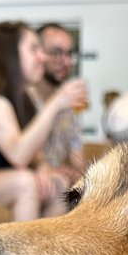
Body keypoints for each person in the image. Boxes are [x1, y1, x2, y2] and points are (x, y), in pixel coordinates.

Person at [0, 21, 87, 221]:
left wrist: (43, 168)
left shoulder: (22, 99)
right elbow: (18, 154)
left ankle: (40, 242)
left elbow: (34, 155)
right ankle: (22, 244)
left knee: (60, 185)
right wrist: (58, 102)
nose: (43, 57)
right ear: (11, 53)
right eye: (34, 49)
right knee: (25, 184)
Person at [35, 23, 85, 183]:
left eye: (69, 53)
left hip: (59, 189)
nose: (66, 61)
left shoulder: (68, 105)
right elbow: (25, 158)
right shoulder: (22, 100)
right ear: (38, 55)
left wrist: (77, 173)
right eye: (57, 53)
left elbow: (78, 160)